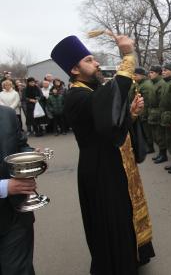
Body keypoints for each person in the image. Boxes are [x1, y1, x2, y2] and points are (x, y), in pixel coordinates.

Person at [51, 34, 154, 275]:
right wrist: (127, 57)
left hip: (112, 163)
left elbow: (111, 127)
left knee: (124, 213)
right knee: (112, 220)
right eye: (89, 60)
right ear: (75, 69)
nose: (96, 63)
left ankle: (132, 256)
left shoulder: (90, 90)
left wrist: (131, 113)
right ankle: (117, 267)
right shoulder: (76, 95)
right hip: (99, 169)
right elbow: (105, 112)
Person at [0, 105, 36, 275]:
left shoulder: (6, 113)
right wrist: (5, 187)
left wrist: (31, 160)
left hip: (15, 215)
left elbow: (21, 145)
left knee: (19, 270)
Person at [130, 67, 155, 153]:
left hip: (144, 112)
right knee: (144, 131)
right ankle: (148, 145)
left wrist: (143, 113)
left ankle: (150, 147)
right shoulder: (139, 84)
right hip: (139, 110)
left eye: (136, 75)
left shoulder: (146, 85)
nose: (134, 76)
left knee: (147, 131)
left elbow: (147, 102)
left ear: (142, 75)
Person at [148, 65, 168, 164]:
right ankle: (161, 153)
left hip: (158, 113)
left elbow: (162, 101)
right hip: (153, 112)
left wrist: (160, 114)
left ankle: (163, 154)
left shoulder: (161, 84)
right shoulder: (154, 83)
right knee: (156, 135)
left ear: (157, 73)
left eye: (152, 72)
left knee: (160, 136)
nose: (150, 74)